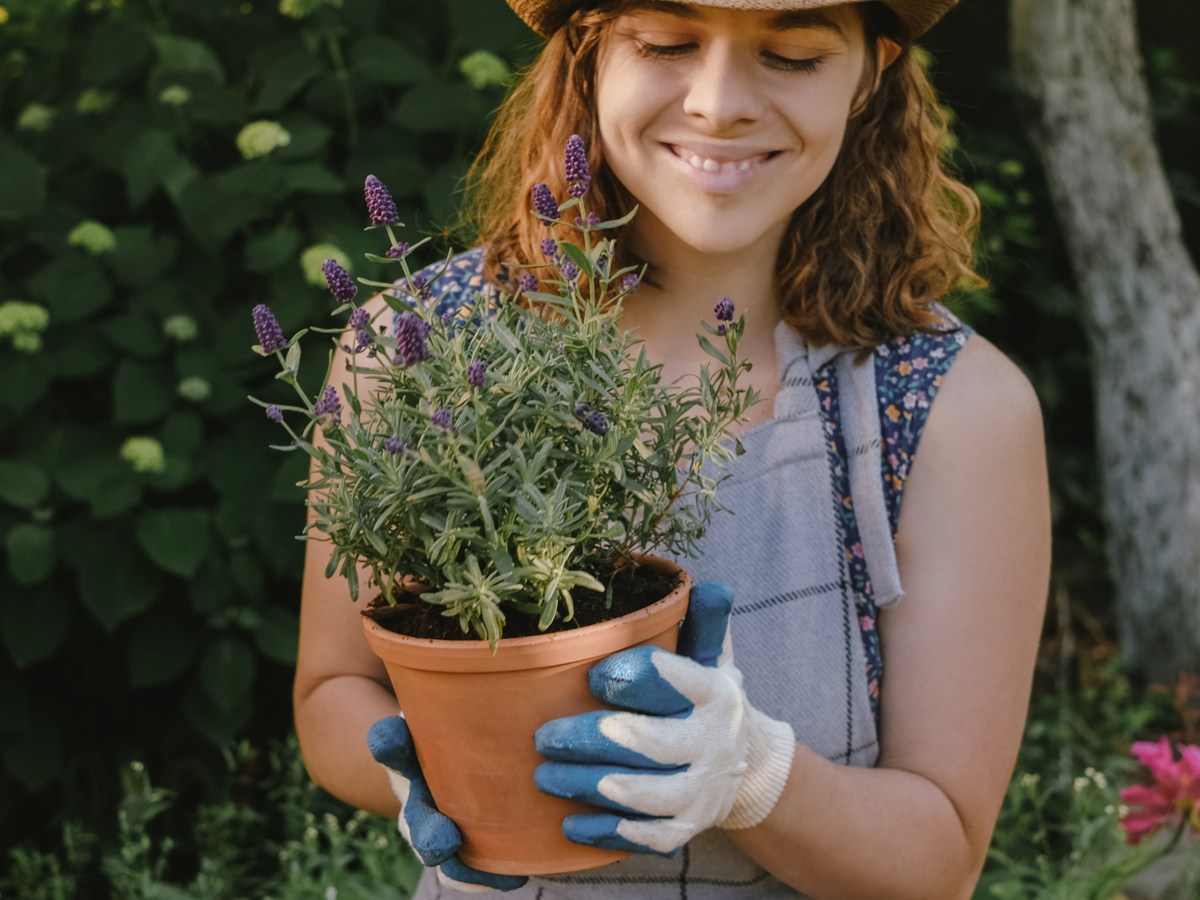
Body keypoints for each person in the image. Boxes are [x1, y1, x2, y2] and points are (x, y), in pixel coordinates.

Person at [293, 0, 1052, 897]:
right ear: (587, 53)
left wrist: (749, 775)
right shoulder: (417, 348)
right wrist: (420, 772)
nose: (719, 102)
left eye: (795, 55)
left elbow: (940, 862)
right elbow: (333, 691)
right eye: (666, 42)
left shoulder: (951, 408)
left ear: (871, 75)